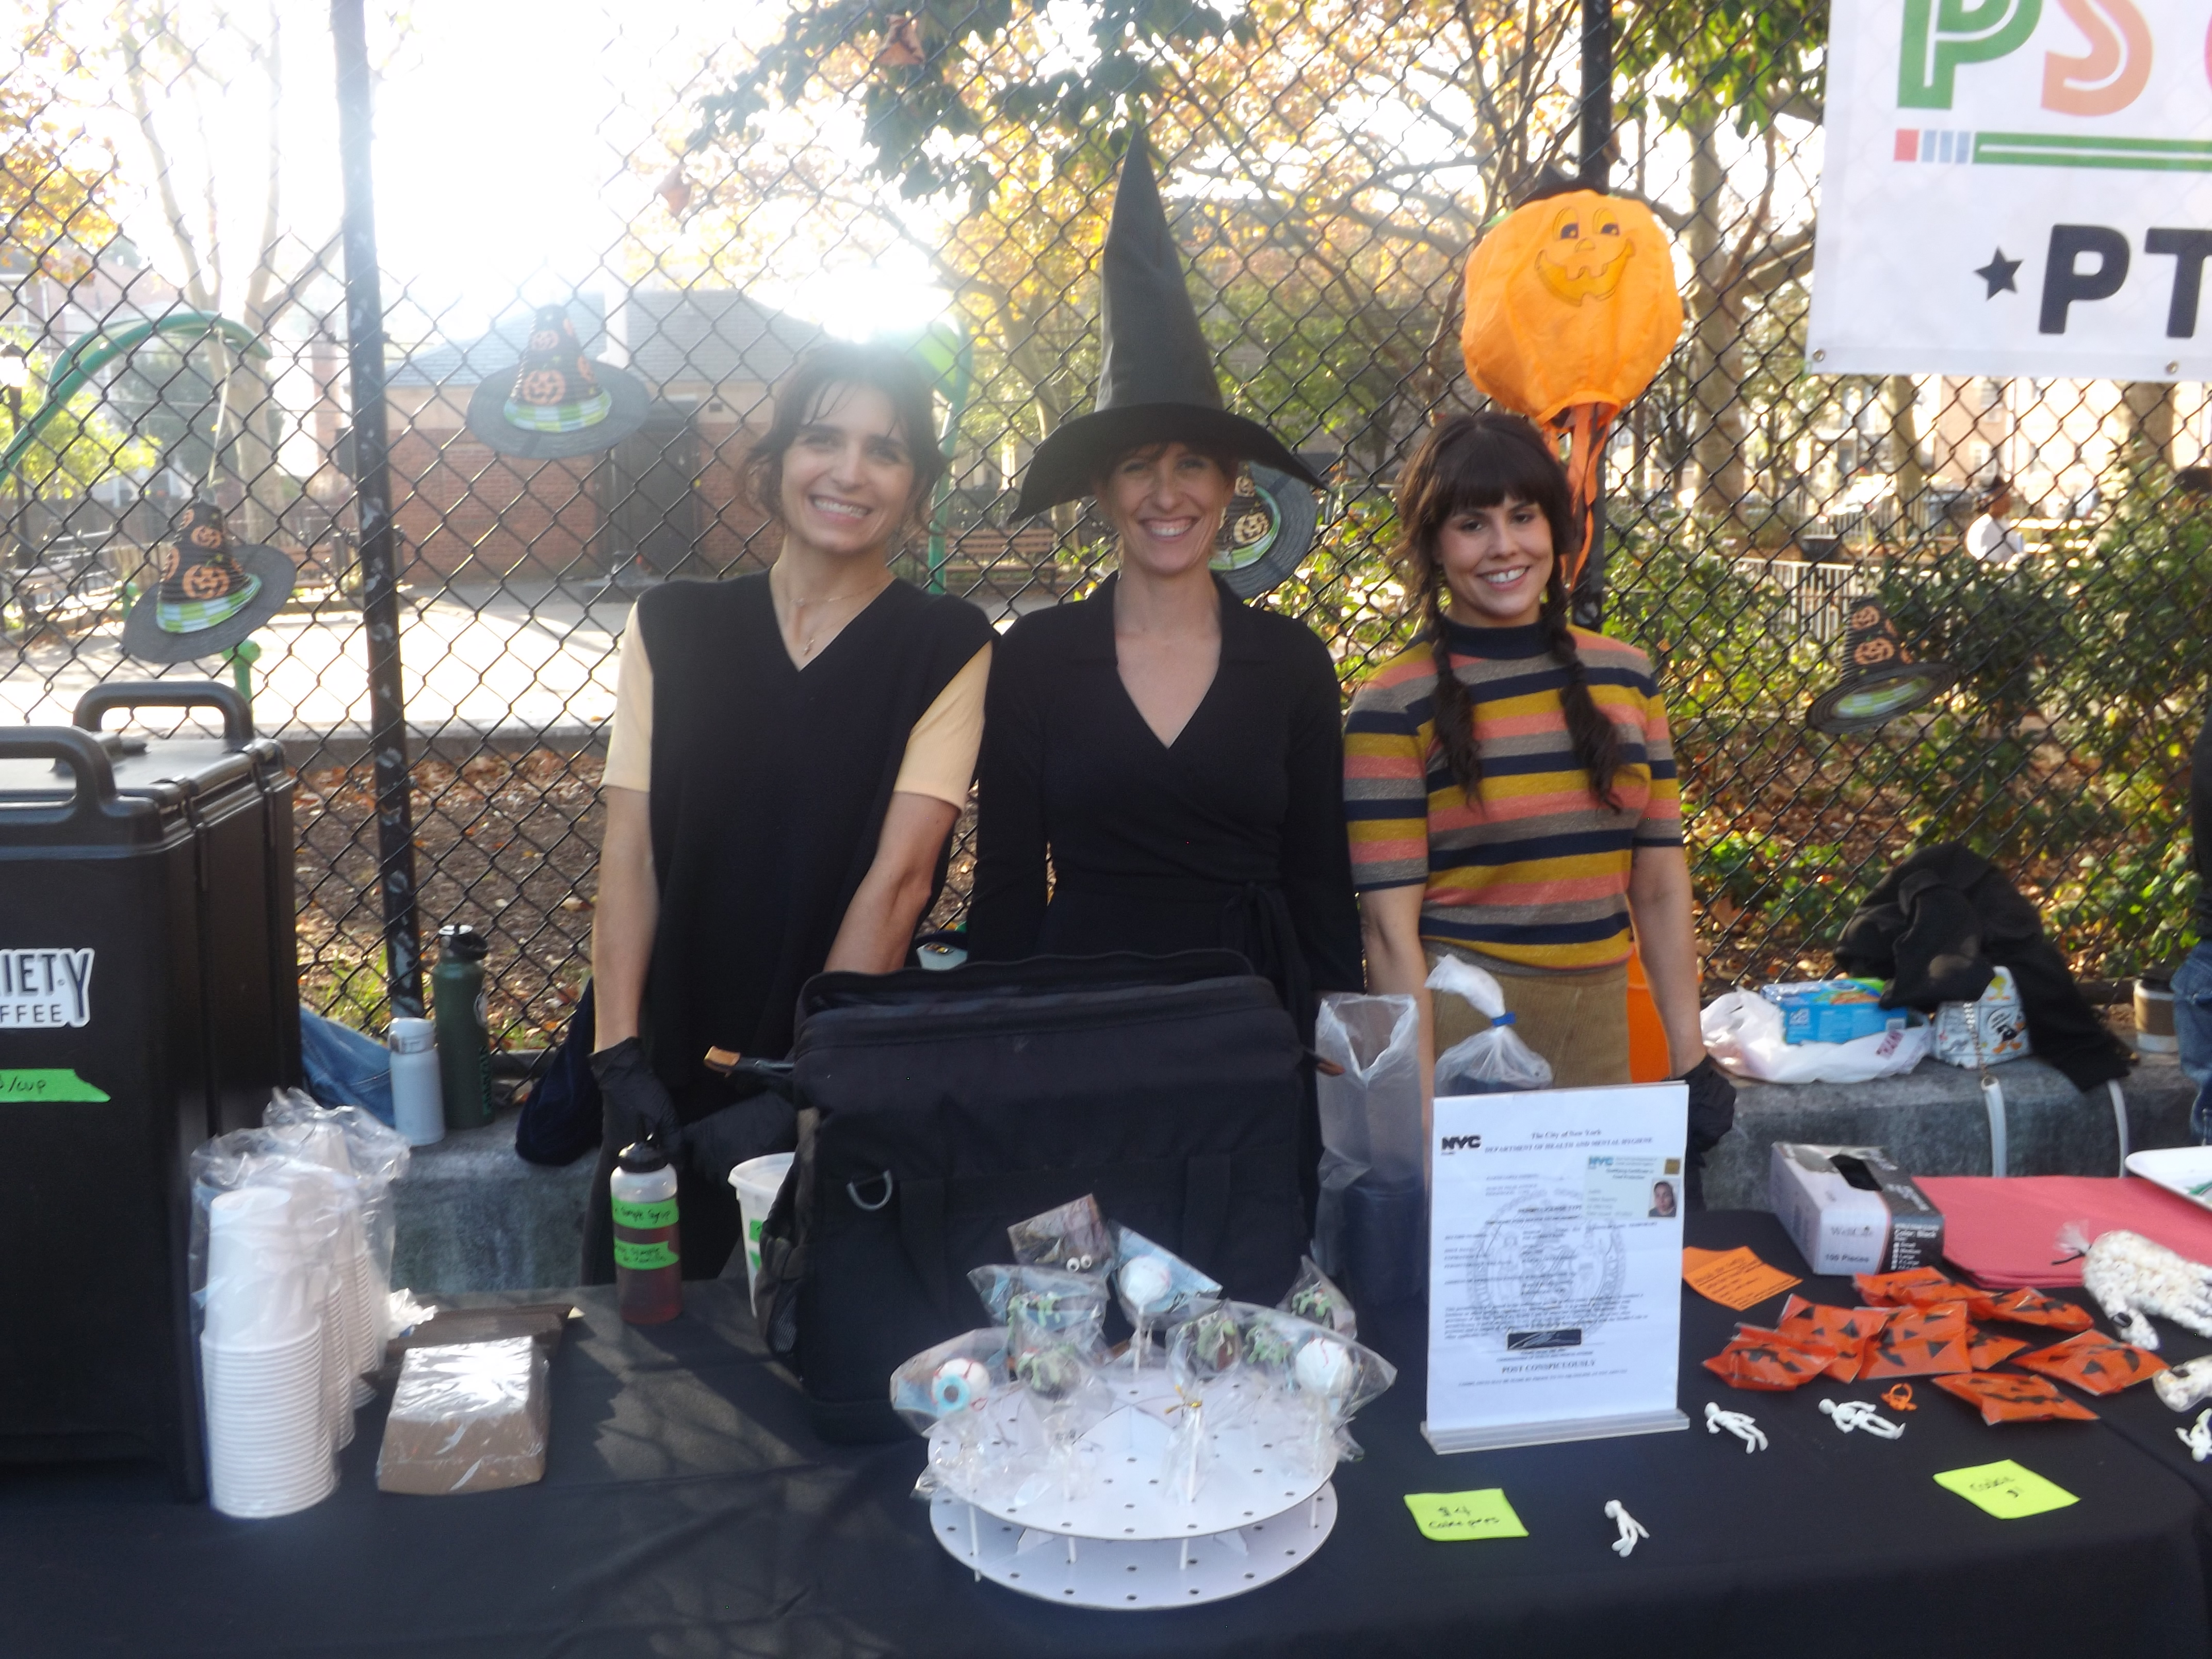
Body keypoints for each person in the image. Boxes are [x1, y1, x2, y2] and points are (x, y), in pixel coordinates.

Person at [582, 341, 995, 1281]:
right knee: (645, 1340)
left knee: (801, 1338)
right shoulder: (671, 626)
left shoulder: (944, 646)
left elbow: (900, 882)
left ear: (916, 484)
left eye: (885, 451)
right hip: (665, 1046)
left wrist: (810, 1081)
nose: (850, 471)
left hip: (819, 1060)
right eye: (823, 438)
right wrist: (619, 1055)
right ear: (772, 467)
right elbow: (630, 849)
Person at [967, 138, 1363, 1045]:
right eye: (1137, 467)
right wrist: (996, 1041)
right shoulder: (1036, 658)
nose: (1166, 492)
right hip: (1082, 1014)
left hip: (1252, 1014)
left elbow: (1317, 880)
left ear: (1231, 485)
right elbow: (1008, 882)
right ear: (1103, 492)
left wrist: (1336, 1037)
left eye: (1192, 464)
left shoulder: (1290, 665)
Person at [1345, 412, 1734, 1183]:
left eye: (1524, 517)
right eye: (1471, 524)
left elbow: (1656, 886)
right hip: (1464, 1033)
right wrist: (1420, 1117)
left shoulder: (1627, 677)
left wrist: (1690, 1059)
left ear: (1557, 531)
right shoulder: (1393, 704)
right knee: (1479, 1293)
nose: (1504, 547)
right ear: (1431, 545)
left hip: (1601, 1024)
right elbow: (1390, 935)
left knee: (1596, 1285)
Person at [1965, 478, 2026, 566]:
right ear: (1986, 500)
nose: (2007, 500)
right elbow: (1991, 565)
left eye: (2007, 494)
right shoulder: (1986, 527)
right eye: (2001, 496)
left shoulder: (2002, 522)